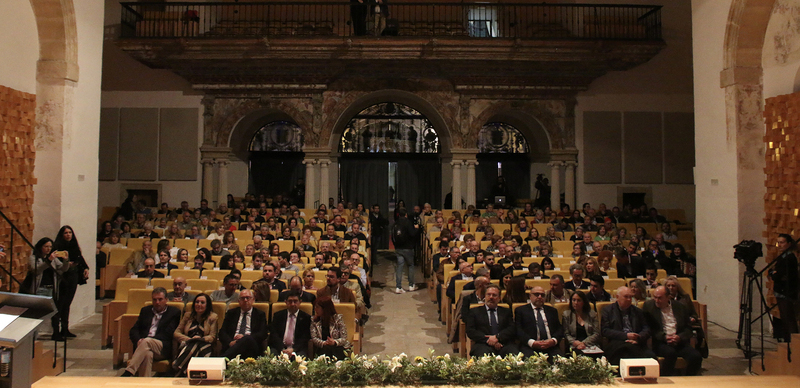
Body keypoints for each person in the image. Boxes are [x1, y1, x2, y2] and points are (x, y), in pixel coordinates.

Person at [121, 287, 181, 377]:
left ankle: (129, 371)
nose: (157, 302)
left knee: (147, 342)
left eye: (160, 299)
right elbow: (134, 330)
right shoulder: (145, 311)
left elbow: (168, 334)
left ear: (166, 300)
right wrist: (138, 341)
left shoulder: (174, 312)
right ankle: (144, 383)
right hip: (144, 346)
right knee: (148, 355)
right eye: (154, 300)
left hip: (162, 347)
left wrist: (146, 341)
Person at [643, 286, 703, 376]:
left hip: (679, 341)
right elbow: (650, 328)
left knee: (696, 357)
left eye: (660, 298)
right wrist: (664, 337)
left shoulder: (680, 307)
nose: (656, 300)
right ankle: (667, 379)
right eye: (655, 297)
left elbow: (688, 328)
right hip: (661, 342)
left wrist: (679, 337)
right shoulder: (649, 306)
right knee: (670, 353)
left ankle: (689, 380)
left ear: (668, 297)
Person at [600, 286, 656, 365]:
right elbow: (605, 330)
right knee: (624, 353)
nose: (629, 299)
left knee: (651, 357)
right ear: (617, 297)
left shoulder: (638, 311)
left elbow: (646, 329)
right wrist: (626, 336)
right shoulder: (608, 311)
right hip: (617, 343)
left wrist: (638, 337)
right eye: (626, 297)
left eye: (630, 297)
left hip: (636, 343)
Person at [52, 225, 89, 338]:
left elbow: (79, 258)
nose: (68, 235)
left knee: (67, 303)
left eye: (70, 233)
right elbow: (57, 262)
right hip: (63, 276)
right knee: (60, 304)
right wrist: (67, 263)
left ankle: (65, 329)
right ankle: (56, 331)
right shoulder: (58, 246)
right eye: (65, 233)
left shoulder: (74, 246)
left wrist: (86, 268)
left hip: (73, 276)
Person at [464, 284, 518, 357]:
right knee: (482, 355)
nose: (491, 297)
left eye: (494, 295)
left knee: (515, 354)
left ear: (499, 298)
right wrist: (488, 340)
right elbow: (470, 331)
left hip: (503, 343)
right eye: (488, 295)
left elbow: (511, 329)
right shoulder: (474, 312)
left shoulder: (506, 311)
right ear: (484, 297)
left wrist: (497, 338)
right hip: (483, 344)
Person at [172, 293, 217, 377]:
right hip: (187, 344)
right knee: (194, 344)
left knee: (197, 343)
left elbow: (212, 336)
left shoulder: (213, 317)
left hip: (205, 346)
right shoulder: (187, 316)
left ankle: (178, 366)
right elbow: (176, 333)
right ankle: (181, 367)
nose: (199, 304)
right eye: (197, 302)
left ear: (207, 305)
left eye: (202, 302)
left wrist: (200, 339)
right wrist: (190, 339)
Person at [515, 286, 563, 359]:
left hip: (550, 346)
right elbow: (519, 330)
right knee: (530, 363)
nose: (540, 297)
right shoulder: (521, 310)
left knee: (562, 362)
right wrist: (533, 343)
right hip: (530, 347)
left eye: (542, 295)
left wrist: (553, 341)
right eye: (537, 294)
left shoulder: (552, 311)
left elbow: (559, 329)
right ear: (530, 296)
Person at [219, 290, 268, 359]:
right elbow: (222, 332)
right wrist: (230, 342)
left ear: (253, 300)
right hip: (232, 344)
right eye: (242, 298)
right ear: (239, 301)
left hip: (252, 347)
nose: (245, 300)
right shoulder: (231, 313)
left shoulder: (260, 314)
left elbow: (263, 333)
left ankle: (223, 359)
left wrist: (244, 338)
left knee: (247, 339)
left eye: (248, 298)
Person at [769, 233, 799, 342]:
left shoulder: (790, 258)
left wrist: (775, 274)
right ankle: (788, 342)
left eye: (782, 242)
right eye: (778, 243)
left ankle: (794, 343)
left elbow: (780, 275)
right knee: (785, 318)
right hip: (780, 291)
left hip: (786, 292)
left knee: (788, 318)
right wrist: (773, 273)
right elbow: (772, 271)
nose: (779, 245)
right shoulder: (782, 257)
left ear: (789, 244)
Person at [269, 290, 313, 357]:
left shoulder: (306, 318)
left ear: (300, 302)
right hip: (280, 348)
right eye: (290, 301)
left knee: (300, 357)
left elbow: (305, 338)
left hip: (298, 349)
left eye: (295, 301)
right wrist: (283, 349)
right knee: (272, 355)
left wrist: (293, 349)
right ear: (285, 302)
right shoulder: (278, 316)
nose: (292, 304)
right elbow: (274, 334)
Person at [563, 291, 601, 356]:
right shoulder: (567, 315)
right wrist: (576, 343)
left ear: (584, 302)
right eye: (574, 300)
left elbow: (596, 333)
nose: (576, 303)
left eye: (579, 300)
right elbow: (566, 334)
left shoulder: (592, 314)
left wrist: (583, 343)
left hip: (590, 344)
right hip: (574, 345)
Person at [392, 207, 419, 294]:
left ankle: (398, 287)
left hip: (398, 248)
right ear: (406, 214)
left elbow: (392, 236)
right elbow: (412, 233)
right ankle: (411, 286)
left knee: (399, 266)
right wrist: (417, 228)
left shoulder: (396, 223)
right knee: (410, 266)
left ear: (398, 214)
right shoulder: (408, 222)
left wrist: (395, 246)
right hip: (408, 248)